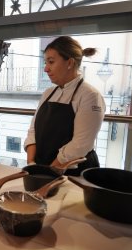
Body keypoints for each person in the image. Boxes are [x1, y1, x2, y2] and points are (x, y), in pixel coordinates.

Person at [24, 36, 106, 176]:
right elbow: (33, 131)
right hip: (44, 168)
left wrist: (49, 172)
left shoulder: (90, 96)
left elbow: (80, 144)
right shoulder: (48, 93)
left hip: (74, 173)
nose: (45, 69)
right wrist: (32, 165)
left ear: (70, 63)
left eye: (51, 62)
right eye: (45, 62)